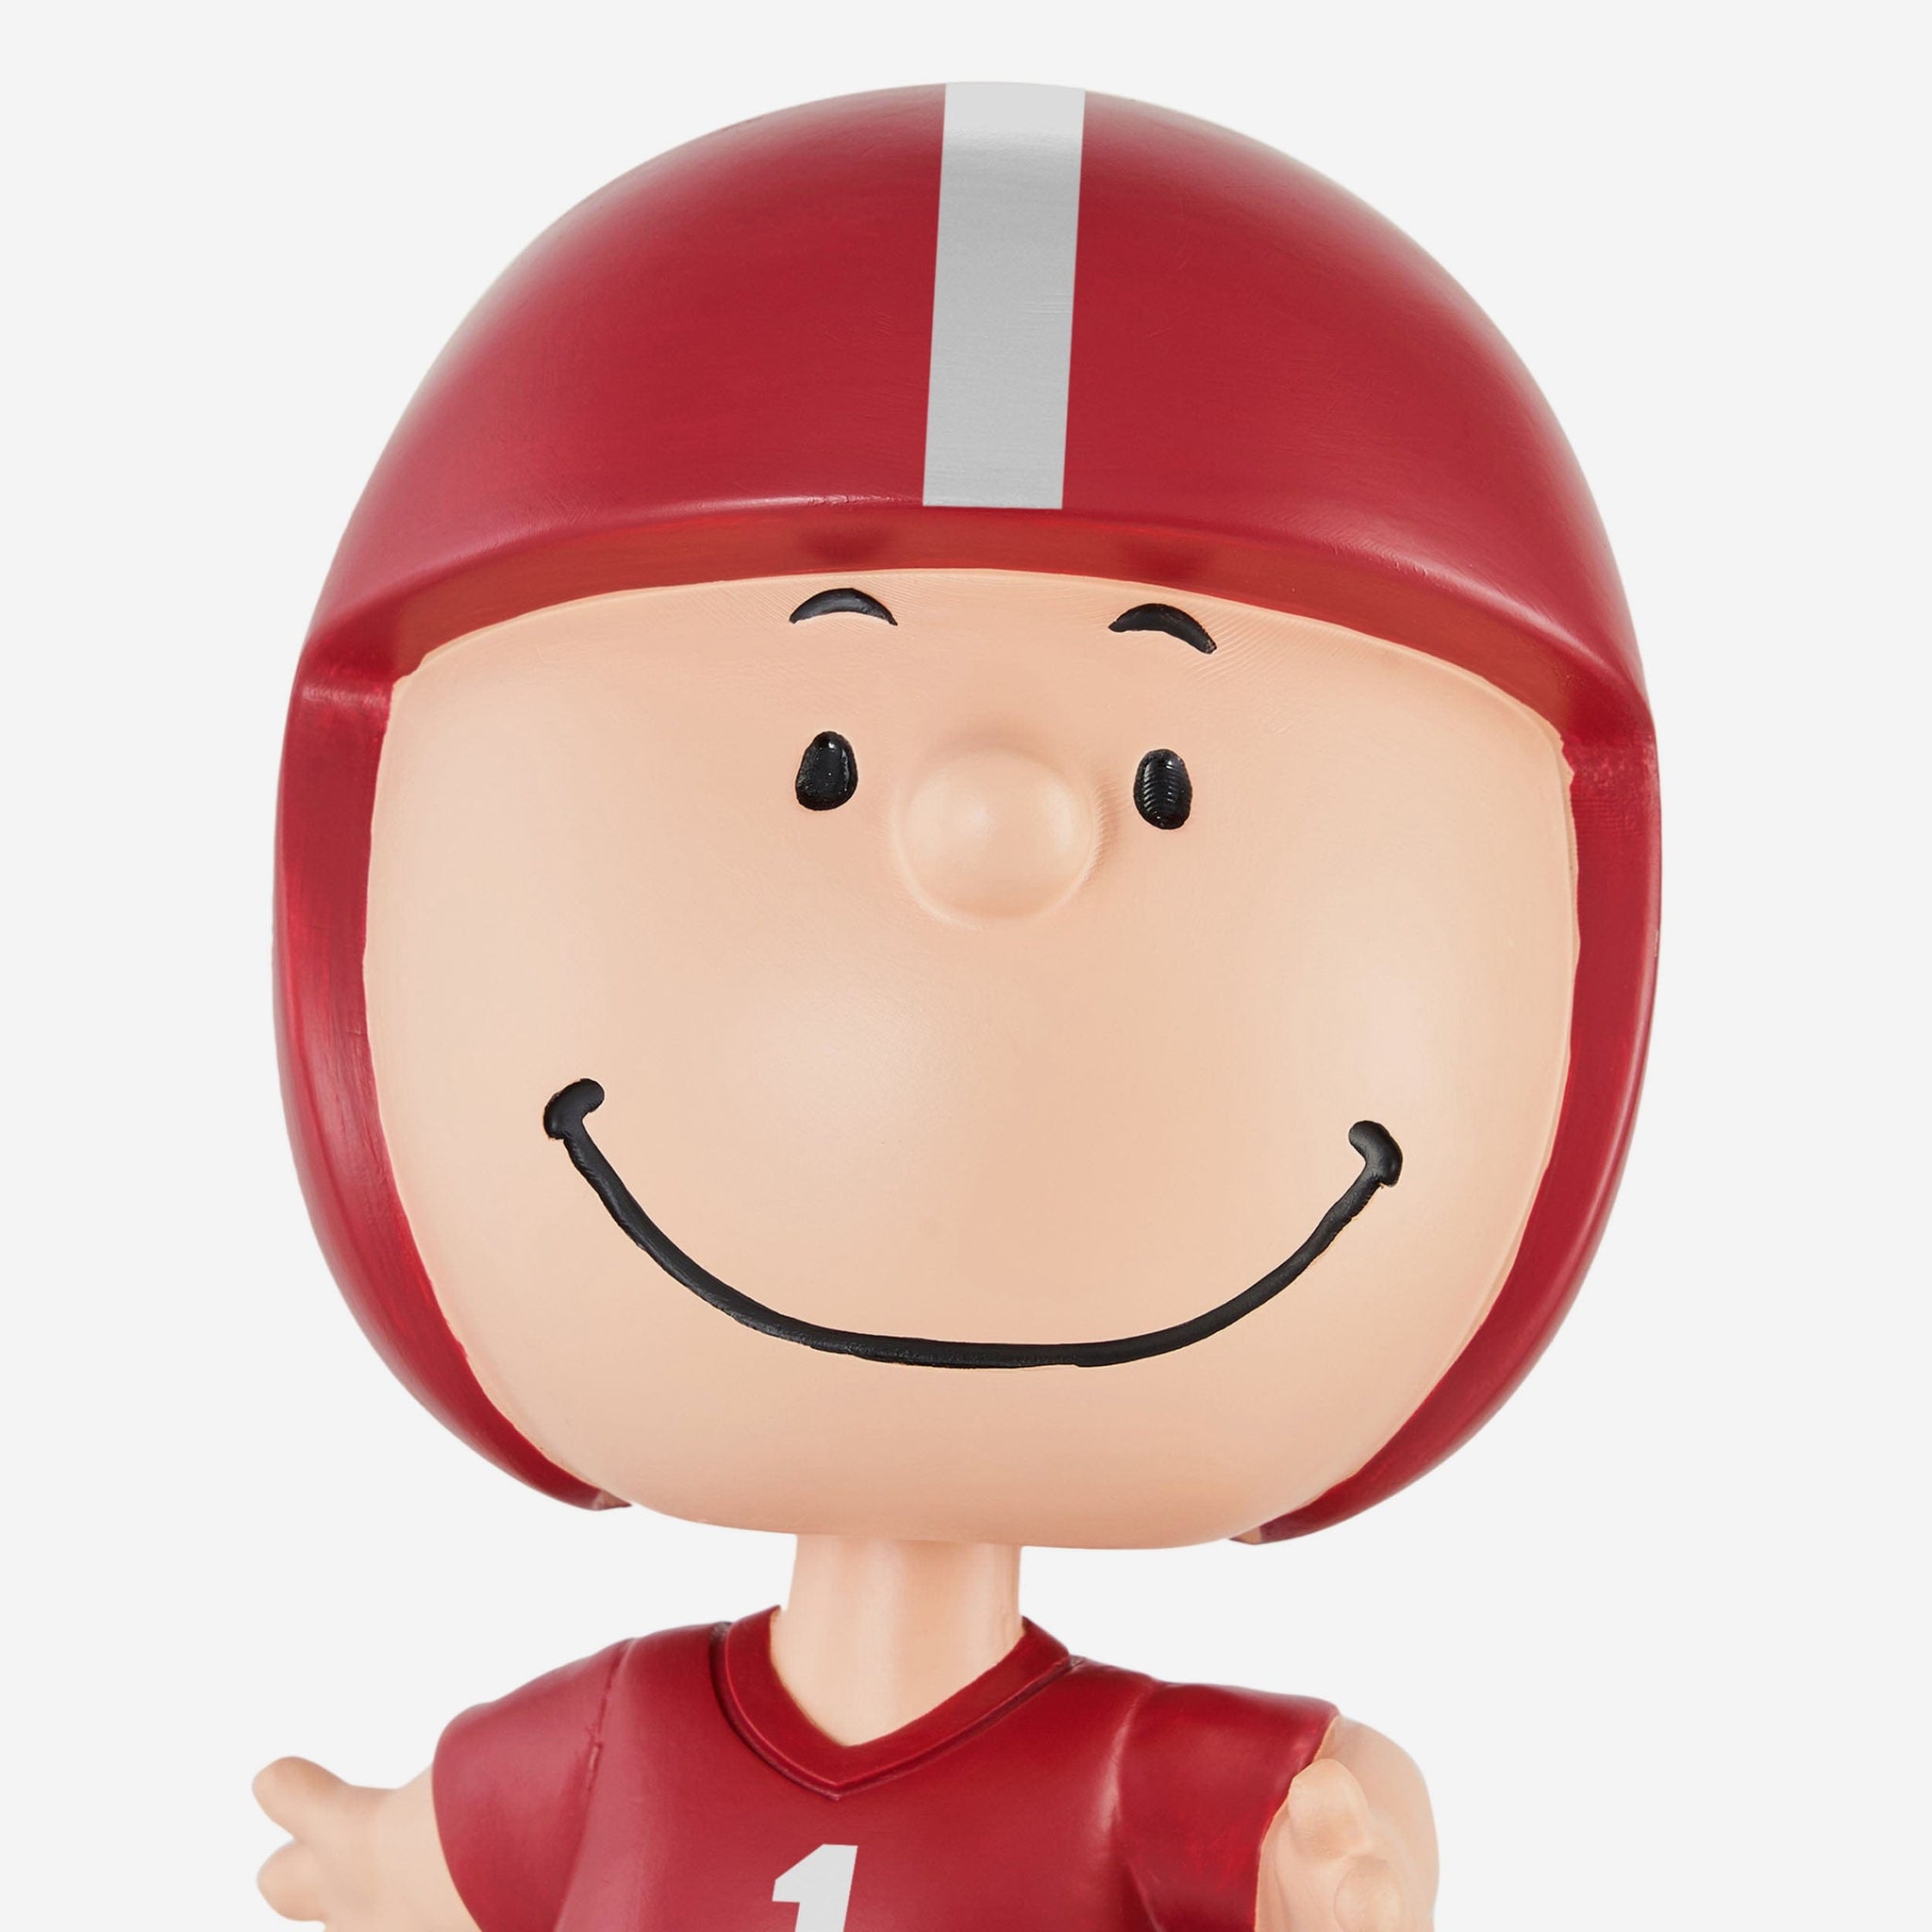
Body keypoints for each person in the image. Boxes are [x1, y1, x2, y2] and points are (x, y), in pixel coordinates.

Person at [258, 83, 1658, 1931]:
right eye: (822, 762)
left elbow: (1318, 1806)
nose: (994, 821)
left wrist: (1341, 1860)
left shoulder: (1137, 1777)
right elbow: (446, 1845)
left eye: (1170, 783)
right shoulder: (614, 1741)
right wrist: (369, 1852)